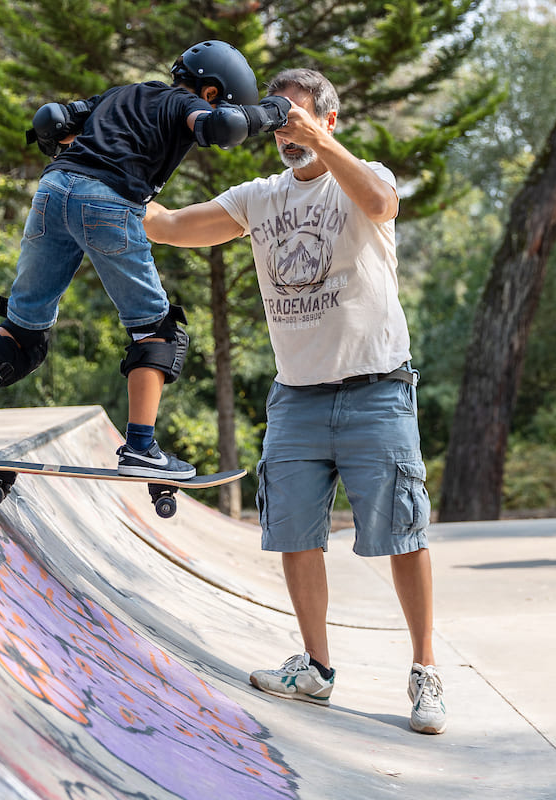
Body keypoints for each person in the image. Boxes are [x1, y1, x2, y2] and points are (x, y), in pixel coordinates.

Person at [142, 69, 445, 734]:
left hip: (376, 391)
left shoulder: (362, 175)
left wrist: (322, 143)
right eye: (277, 120)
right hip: (297, 399)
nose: (286, 131)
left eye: (300, 119)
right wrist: (106, 164)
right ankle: (315, 668)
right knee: (295, 536)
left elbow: (382, 204)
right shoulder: (258, 199)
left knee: (403, 532)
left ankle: (425, 671)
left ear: (330, 121)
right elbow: (166, 227)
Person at [0, 42, 289, 479]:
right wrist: (273, 112)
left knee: (24, 324)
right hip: (108, 203)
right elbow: (221, 127)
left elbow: (51, 120)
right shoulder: (189, 104)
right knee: (156, 330)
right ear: (211, 91)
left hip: (52, 191)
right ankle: (140, 447)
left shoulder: (122, 93)